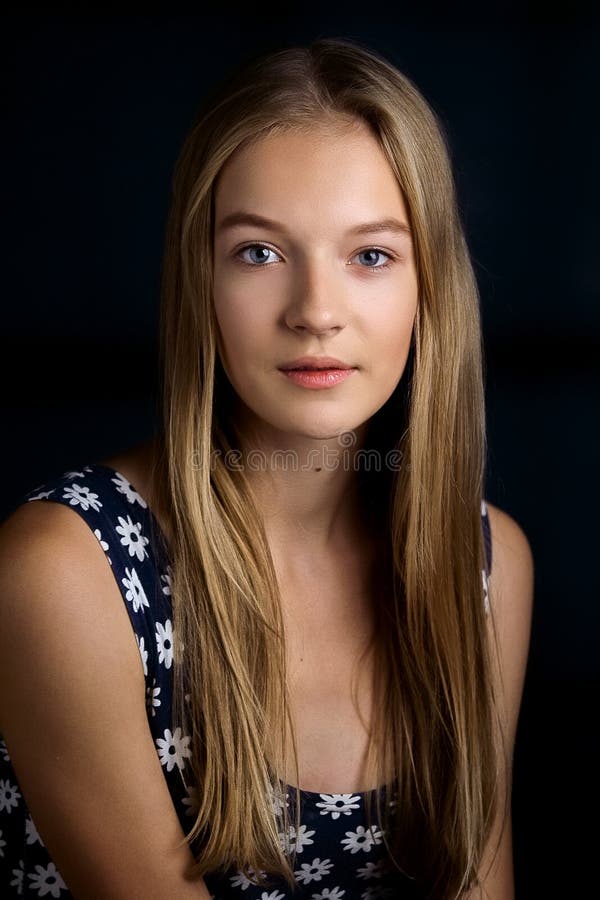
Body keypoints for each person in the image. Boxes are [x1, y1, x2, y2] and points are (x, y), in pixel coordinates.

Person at [0, 37, 533, 899]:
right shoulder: (67, 569)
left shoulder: (483, 564)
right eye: (259, 252)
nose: (316, 312)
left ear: (430, 283)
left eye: (370, 256)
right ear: (197, 277)